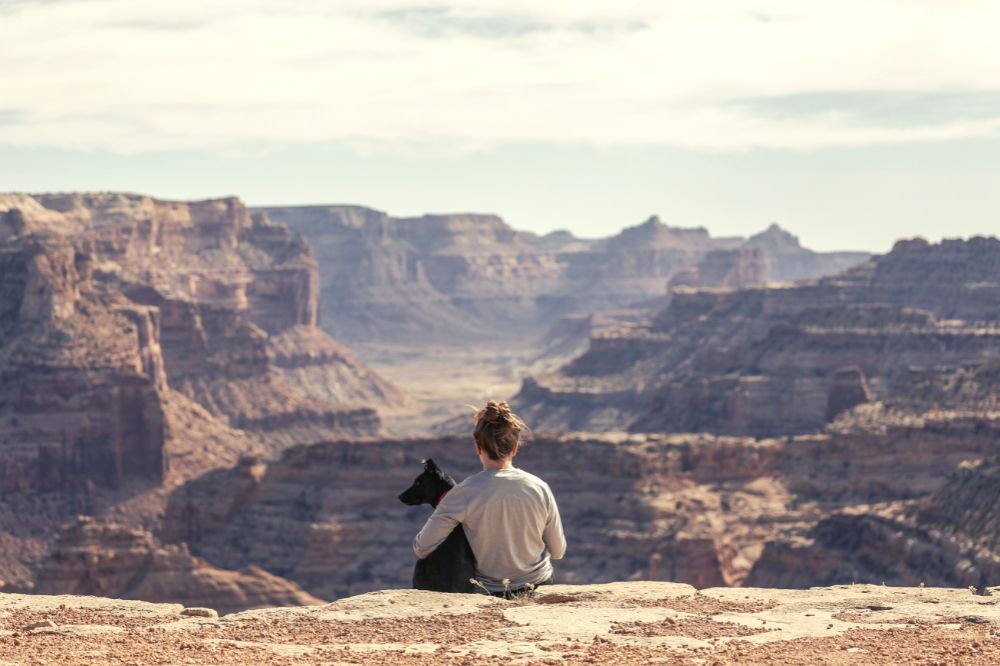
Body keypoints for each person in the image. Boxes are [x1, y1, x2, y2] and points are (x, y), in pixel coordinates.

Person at [412, 400, 566, 597]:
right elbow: (558, 551)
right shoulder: (539, 487)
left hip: (490, 592)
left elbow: (421, 547)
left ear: (478, 447)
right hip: (539, 585)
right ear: (515, 449)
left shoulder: (463, 493)